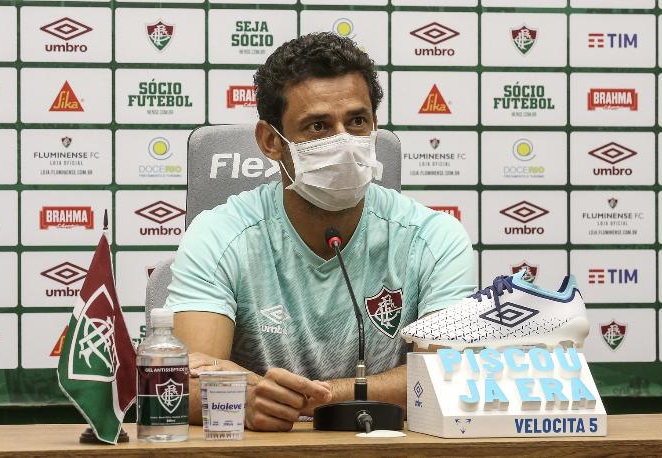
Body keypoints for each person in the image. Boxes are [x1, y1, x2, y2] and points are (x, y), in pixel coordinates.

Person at [165, 32, 475, 431]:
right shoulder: (219, 235)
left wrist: (306, 397)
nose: (343, 142)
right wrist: (244, 403)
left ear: (375, 127)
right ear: (270, 142)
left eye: (357, 121)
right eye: (318, 126)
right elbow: (182, 385)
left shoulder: (434, 238)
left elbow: (443, 378)